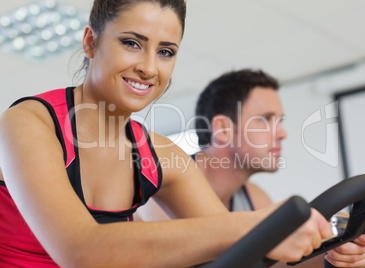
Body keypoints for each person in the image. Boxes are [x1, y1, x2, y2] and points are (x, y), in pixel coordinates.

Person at [0, 1, 340, 267]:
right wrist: (252, 224)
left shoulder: (163, 157)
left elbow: (244, 254)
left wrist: (337, 242)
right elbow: (80, 252)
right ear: (90, 41)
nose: (149, 67)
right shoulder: (28, 124)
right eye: (132, 43)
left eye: (165, 52)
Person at [136, 69, 365, 267]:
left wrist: (347, 242)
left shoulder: (253, 197)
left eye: (280, 121)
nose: (282, 133)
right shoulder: (160, 195)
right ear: (222, 129)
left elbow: (277, 264)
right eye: (266, 120)